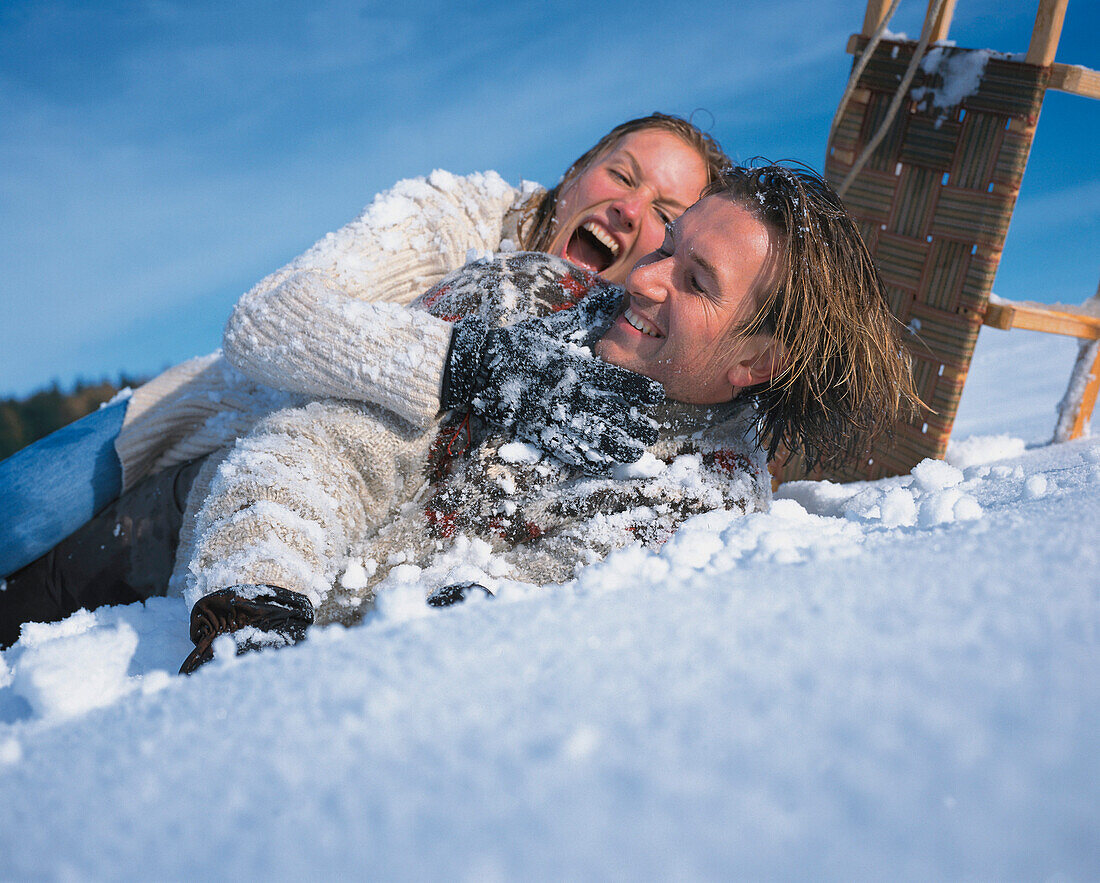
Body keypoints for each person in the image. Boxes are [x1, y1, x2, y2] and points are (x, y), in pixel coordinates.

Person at [173, 164, 921, 673]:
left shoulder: (704, 512)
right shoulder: (526, 294)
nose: (647, 278)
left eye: (695, 282)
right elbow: (327, 442)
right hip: (206, 556)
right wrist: (256, 602)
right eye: (666, 245)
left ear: (755, 364)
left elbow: (514, 639)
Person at [0, 113, 727, 585]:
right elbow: (266, 318)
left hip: (303, 505)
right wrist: (470, 360)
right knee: (23, 508)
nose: (630, 211)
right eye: (621, 175)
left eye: (665, 214)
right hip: (200, 422)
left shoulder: (627, 341)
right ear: (573, 177)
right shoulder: (453, 218)